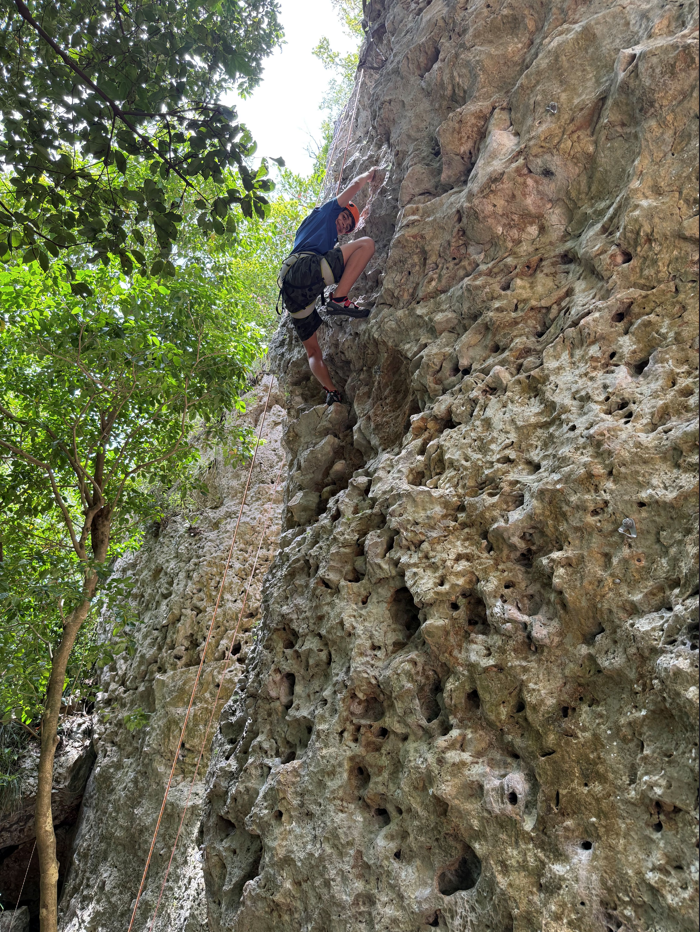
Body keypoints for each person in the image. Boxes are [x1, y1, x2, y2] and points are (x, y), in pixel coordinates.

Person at [279, 168, 379, 405]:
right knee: (366, 244)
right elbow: (354, 184)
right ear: (338, 210)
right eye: (344, 219)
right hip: (304, 270)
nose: (343, 226)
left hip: (294, 293)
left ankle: (332, 392)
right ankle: (339, 298)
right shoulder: (325, 212)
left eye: (347, 227)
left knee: (313, 350)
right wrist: (368, 176)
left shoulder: (312, 231)